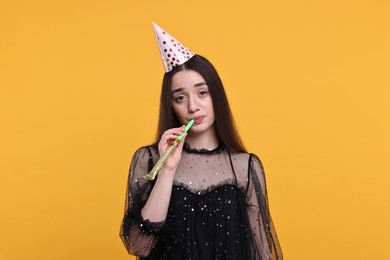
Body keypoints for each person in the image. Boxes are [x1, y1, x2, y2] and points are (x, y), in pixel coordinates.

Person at [120, 22, 283, 260]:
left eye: (202, 93)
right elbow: (140, 246)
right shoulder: (149, 159)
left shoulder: (245, 166)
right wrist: (167, 170)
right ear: (171, 105)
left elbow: (261, 251)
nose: (193, 106)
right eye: (180, 97)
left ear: (216, 95)